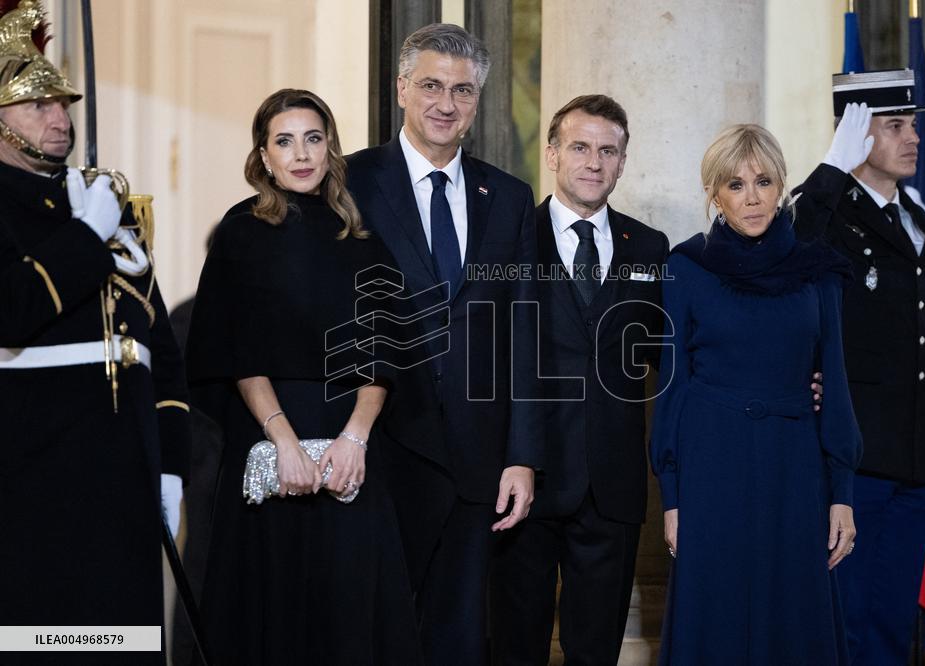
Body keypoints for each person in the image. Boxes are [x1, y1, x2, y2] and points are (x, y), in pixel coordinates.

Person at [185, 88, 419, 665]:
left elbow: (384, 349)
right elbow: (236, 350)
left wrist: (356, 437)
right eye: (284, 142)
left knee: (350, 607)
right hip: (269, 435)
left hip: (352, 443)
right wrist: (282, 441)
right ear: (263, 155)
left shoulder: (360, 237)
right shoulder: (242, 231)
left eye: (313, 139)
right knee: (273, 609)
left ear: (330, 147)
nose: (301, 155)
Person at [0, 1, 190, 662]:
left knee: (124, 644)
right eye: (37, 107)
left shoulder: (104, 200)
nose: (61, 120)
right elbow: (13, 309)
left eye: (63, 105)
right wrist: (86, 235)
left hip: (124, 475)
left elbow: (155, 349)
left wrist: (170, 464)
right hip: (35, 478)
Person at [345, 23, 540, 665]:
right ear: (402, 88)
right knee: (377, 627)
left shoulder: (509, 198)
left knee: (458, 634)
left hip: (477, 459)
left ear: (478, 102)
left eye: (462, 90)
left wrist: (521, 456)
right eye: (430, 85)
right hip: (379, 448)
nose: (445, 103)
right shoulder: (349, 184)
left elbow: (524, 333)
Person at [650, 123, 862, 664]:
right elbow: (671, 386)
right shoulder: (685, 267)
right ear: (714, 194)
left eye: (763, 182)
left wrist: (842, 492)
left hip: (796, 468)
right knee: (714, 614)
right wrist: (672, 498)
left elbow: (834, 382)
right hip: (710, 465)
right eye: (736, 185)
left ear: (782, 186)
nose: (752, 198)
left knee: (794, 614)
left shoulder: (819, 272)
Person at [491, 94, 669, 665]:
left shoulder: (650, 247)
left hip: (612, 487)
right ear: (552, 154)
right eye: (580, 146)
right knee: (516, 644)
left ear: (622, 162)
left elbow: (673, 361)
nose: (594, 161)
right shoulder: (511, 239)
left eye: (608, 151)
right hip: (526, 477)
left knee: (596, 650)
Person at [793, 71, 925, 665]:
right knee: (848, 617)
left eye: (913, 125)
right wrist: (830, 172)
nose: (913, 138)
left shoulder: (921, 224)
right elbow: (789, 248)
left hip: (913, 450)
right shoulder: (831, 218)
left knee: (892, 615)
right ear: (855, 136)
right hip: (856, 457)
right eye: (894, 126)